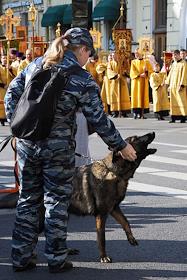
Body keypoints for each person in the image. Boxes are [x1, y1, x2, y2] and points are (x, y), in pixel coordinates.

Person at [4, 27, 137, 273]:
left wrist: (18, 127)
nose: (89, 59)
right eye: (89, 53)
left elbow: (11, 94)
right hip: (58, 150)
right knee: (55, 201)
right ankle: (56, 258)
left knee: (27, 200)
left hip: (27, 146)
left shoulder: (36, 64)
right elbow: (98, 119)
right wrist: (121, 145)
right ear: (82, 49)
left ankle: (21, 257)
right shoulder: (81, 78)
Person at [130, 48, 153, 119]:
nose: (136, 54)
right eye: (135, 53)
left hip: (143, 82)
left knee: (143, 96)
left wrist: (146, 72)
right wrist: (139, 75)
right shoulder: (133, 62)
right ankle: (135, 112)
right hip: (136, 82)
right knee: (136, 96)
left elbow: (151, 71)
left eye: (137, 53)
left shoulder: (146, 62)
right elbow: (132, 71)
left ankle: (141, 113)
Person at [165, 49, 187, 123]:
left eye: (174, 55)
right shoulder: (173, 64)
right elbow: (170, 74)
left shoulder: (184, 64)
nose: (173, 57)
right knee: (173, 102)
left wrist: (182, 85)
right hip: (173, 86)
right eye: (172, 55)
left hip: (179, 86)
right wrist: (167, 83)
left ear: (178, 55)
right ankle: (173, 117)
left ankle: (183, 117)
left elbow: (184, 75)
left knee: (181, 101)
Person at [107, 52, 131, 118]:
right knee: (114, 96)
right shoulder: (110, 63)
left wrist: (124, 72)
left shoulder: (122, 62)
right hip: (115, 82)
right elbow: (109, 71)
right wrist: (116, 75)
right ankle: (115, 112)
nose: (113, 56)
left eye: (115, 55)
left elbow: (127, 69)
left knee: (123, 96)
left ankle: (124, 112)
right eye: (112, 55)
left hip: (122, 81)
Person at [0, 54, 14, 126]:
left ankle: (8, 117)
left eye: (6, 58)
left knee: (9, 102)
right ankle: (1, 119)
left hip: (9, 87)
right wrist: (3, 85)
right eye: (3, 58)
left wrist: (10, 70)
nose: (5, 59)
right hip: (2, 88)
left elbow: (15, 76)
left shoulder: (10, 67)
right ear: (1, 59)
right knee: (1, 104)